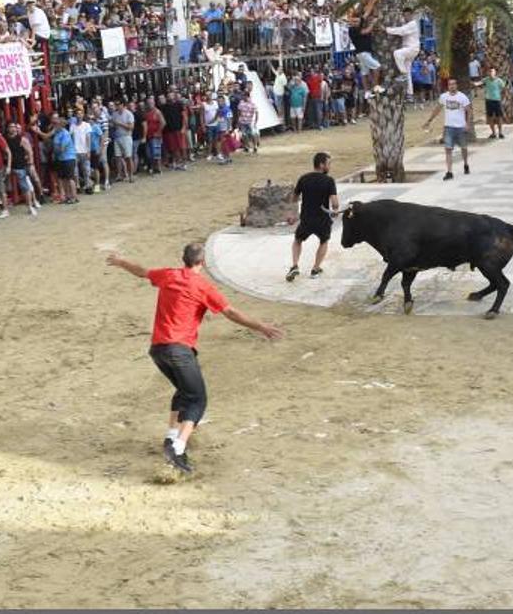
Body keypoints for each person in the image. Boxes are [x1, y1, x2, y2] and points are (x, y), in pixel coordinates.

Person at [106, 244, 282, 474]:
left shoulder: (169, 275)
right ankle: (178, 448)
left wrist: (121, 261)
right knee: (198, 399)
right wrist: (260, 326)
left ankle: (171, 437)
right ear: (203, 263)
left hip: (158, 350)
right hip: (179, 351)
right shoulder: (202, 286)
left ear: (183, 259)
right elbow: (230, 313)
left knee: (183, 391)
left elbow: (142, 271)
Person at [286, 152, 339, 282]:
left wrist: (291, 214)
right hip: (322, 220)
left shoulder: (303, 178)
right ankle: (315, 268)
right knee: (324, 241)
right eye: (328, 164)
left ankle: (294, 265)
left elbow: (293, 198)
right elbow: (335, 203)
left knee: (298, 240)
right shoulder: (329, 181)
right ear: (321, 165)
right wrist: (335, 210)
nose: (330, 166)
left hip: (306, 219)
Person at [423, 78, 472, 181]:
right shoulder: (444, 97)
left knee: (464, 147)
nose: (452, 86)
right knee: (448, 149)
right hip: (449, 127)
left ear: (456, 85)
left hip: (460, 127)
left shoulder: (462, 97)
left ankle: (466, 164)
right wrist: (429, 120)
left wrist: (467, 124)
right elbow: (438, 109)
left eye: (454, 84)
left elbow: (469, 111)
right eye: (450, 84)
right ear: (448, 86)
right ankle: (449, 171)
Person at [386, 8, 422, 100]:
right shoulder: (407, 24)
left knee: (397, 53)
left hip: (412, 48)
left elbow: (401, 31)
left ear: (412, 15)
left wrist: (386, 29)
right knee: (408, 71)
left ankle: (403, 75)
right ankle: (410, 94)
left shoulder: (412, 24)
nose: (406, 17)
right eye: (405, 15)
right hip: (408, 49)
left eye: (408, 15)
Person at [482, 66, 506, 139]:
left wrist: (502, 98)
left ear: (495, 72)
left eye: (492, 71)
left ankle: (500, 132)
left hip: (497, 100)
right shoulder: (486, 80)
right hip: (489, 100)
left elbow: (504, 89)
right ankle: (493, 133)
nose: (490, 73)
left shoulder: (499, 80)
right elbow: (478, 83)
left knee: (499, 117)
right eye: (489, 71)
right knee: (490, 117)